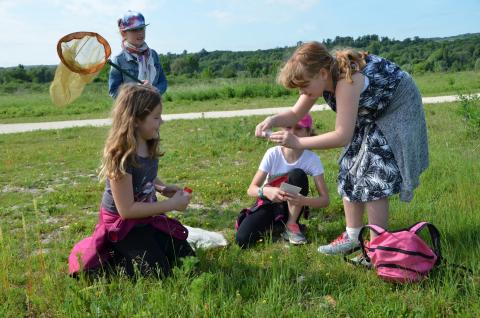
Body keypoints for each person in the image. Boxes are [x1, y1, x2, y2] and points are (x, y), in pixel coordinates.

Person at [255, 42, 428, 261]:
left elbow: (342, 136)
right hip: (372, 110)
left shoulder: (347, 81)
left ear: (322, 73)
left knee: (374, 171)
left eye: (303, 86)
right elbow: (294, 113)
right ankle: (353, 236)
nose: (301, 92)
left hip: (397, 108)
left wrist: (299, 142)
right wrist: (271, 120)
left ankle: (377, 249)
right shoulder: (319, 79)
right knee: (350, 163)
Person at [69, 84, 193, 278]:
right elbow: (126, 210)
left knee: (186, 256)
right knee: (158, 272)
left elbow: (145, 176)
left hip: (145, 218)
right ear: (135, 120)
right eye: (156, 117)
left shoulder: (148, 141)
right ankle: (108, 261)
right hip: (122, 226)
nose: (162, 121)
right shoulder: (122, 156)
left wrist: (161, 187)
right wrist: (171, 205)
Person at [236, 113, 329, 248]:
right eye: (288, 127)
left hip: (293, 205)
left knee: (297, 174)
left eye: (298, 128)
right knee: (242, 239)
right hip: (270, 201)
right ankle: (277, 225)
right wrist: (266, 191)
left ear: (308, 133)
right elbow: (251, 189)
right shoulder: (273, 153)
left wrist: (303, 201)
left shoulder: (312, 159)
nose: (292, 133)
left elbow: (325, 200)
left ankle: (291, 224)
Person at [108, 10, 168, 98]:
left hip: (153, 108)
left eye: (142, 28)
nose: (140, 33)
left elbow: (163, 82)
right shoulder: (118, 60)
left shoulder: (153, 55)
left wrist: (154, 90)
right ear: (123, 33)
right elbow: (113, 91)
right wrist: (135, 92)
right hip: (132, 110)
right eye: (134, 30)